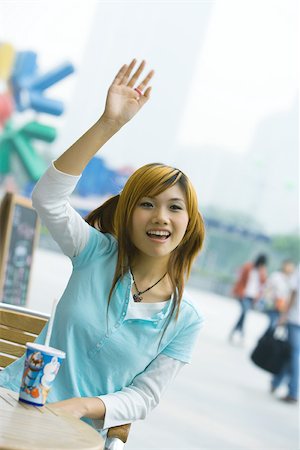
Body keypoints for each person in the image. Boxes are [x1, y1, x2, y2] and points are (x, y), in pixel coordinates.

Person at [0, 59, 205, 435]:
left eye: (174, 208)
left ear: (189, 223)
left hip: (72, 435)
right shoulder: (95, 253)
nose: (161, 217)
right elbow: (48, 199)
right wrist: (109, 123)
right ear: (127, 214)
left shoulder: (184, 319)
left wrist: (81, 407)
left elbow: (143, 396)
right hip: (11, 405)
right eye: (147, 204)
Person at [271, 264, 300, 404]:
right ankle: (276, 382)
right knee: (291, 353)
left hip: (296, 319)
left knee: (294, 354)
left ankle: (293, 392)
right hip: (295, 319)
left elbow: (294, 292)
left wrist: (284, 315)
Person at [229, 254, 268, 341]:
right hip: (243, 294)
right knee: (245, 312)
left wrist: (260, 296)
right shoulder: (248, 267)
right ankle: (242, 333)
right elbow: (240, 279)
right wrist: (235, 291)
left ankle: (234, 332)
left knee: (244, 314)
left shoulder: (262, 271)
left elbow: (263, 284)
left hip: (253, 297)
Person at [263, 260, 295, 335]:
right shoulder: (276, 276)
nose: (290, 268)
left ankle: (267, 341)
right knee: (273, 324)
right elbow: (267, 289)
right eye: (289, 266)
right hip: (273, 305)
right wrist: (270, 299)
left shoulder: (292, 280)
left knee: (276, 326)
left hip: (284, 307)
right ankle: (265, 342)